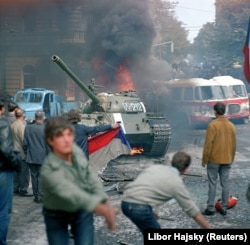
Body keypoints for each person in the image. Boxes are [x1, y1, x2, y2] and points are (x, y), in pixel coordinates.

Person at [40, 115, 117, 245]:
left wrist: (104, 199)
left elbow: (89, 177)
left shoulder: (75, 151)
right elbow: (69, 193)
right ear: (50, 141)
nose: (66, 140)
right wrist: (100, 207)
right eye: (60, 136)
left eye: (69, 135)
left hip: (82, 212)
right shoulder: (48, 170)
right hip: (57, 213)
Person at [121, 151, 211, 234]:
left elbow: (143, 190)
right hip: (139, 208)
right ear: (186, 168)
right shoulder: (177, 183)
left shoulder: (156, 168)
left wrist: (150, 213)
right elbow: (193, 212)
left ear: (171, 162)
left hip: (125, 203)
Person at [202, 102, 236, 216]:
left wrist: (204, 159)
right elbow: (234, 145)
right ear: (224, 111)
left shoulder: (212, 125)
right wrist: (231, 158)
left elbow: (208, 145)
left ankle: (210, 208)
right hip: (227, 159)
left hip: (214, 159)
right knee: (225, 183)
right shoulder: (231, 125)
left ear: (215, 111)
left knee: (212, 183)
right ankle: (224, 207)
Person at [0, 96, 21, 245]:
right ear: (1, 110)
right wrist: (16, 164)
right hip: (2, 171)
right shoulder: (2, 124)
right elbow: (6, 150)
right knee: (3, 211)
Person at [23, 110, 50, 203]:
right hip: (43, 156)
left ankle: (35, 194)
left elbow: (25, 144)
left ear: (35, 118)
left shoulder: (28, 128)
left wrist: (27, 153)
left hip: (31, 156)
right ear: (44, 118)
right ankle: (40, 195)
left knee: (34, 176)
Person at [11, 108, 31, 196]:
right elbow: (24, 141)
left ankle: (15, 188)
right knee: (24, 172)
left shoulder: (12, 125)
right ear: (23, 115)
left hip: (13, 151)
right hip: (21, 152)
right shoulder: (22, 126)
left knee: (15, 172)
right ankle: (23, 189)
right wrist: (27, 152)